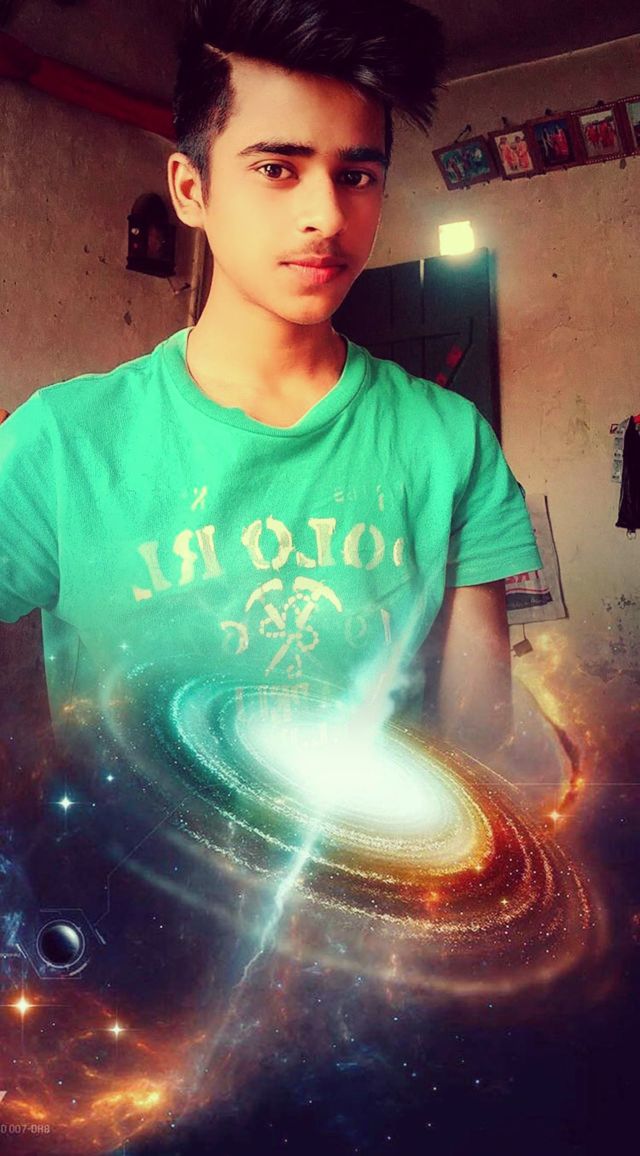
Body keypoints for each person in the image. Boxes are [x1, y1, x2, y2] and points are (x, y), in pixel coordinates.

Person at [0, 0, 540, 774]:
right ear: (190, 188)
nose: (327, 215)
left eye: (356, 176)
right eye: (277, 168)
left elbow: (480, 756)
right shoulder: (58, 446)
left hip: (378, 855)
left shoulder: (451, 446)